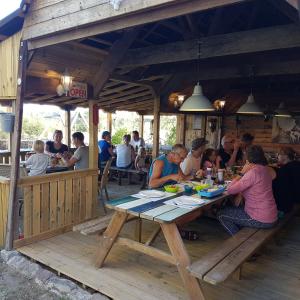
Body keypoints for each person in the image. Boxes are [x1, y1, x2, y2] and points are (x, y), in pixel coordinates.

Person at [217, 145, 278, 235]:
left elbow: (229, 189)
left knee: (221, 214)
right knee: (236, 208)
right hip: (271, 214)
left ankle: (237, 241)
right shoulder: (264, 169)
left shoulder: (252, 172)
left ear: (248, 158)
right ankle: (241, 234)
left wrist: (242, 173)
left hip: (260, 218)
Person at [272, 147, 300, 213]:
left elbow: (279, 188)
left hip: (290, 202)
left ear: (285, 156)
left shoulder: (284, 170)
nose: (277, 156)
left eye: (278, 154)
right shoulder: (297, 164)